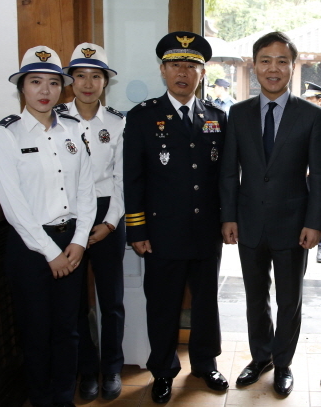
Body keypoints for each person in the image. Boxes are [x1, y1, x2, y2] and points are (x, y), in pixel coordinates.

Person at [220, 31, 321, 396]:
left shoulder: (311, 115)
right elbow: (228, 171)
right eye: (265, 60)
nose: (273, 68)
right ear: (254, 66)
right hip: (249, 221)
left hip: (294, 225)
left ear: (292, 67)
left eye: (282, 61)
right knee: (255, 297)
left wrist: (315, 223)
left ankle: (283, 363)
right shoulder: (238, 113)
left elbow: (320, 175)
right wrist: (228, 216)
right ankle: (261, 356)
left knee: (289, 299)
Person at [123, 31, 229, 403]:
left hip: (205, 231)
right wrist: (137, 228)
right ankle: (163, 370)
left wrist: (227, 220)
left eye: (191, 66)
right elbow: (133, 178)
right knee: (163, 304)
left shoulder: (216, 117)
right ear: (162, 70)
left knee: (206, 303)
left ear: (202, 72)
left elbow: (224, 176)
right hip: (161, 232)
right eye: (174, 65)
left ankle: (205, 363)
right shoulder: (143, 117)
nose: (182, 73)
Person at [0, 46, 96, 407]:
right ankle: (41, 399)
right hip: (31, 247)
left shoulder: (73, 129)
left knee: (68, 330)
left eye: (52, 83)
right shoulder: (8, 134)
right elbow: (13, 205)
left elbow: (86, 190)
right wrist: (51, 252)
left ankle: (64, 398)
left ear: (61, 88)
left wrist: (79, 241)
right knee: (36, 331)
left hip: (71, 243)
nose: (45, 90)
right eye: (35, 82)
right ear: (22, 87)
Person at [53, 43, 125, 401]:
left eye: (95, 76)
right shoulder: (54, 118)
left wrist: (109, 223)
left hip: (108, 212)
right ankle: (86, 370)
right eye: (80, 76)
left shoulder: (117, 122)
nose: (87, 83)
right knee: (75, 302)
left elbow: (123, 179)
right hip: (69, 216)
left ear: (105, 82)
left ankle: (111, 368)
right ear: (70, 80)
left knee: (111, 300)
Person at [302, 81, 321, 263]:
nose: (307, 102)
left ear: (320, 100)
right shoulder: (304, 117)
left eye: (310, 98)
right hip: (305, 175)